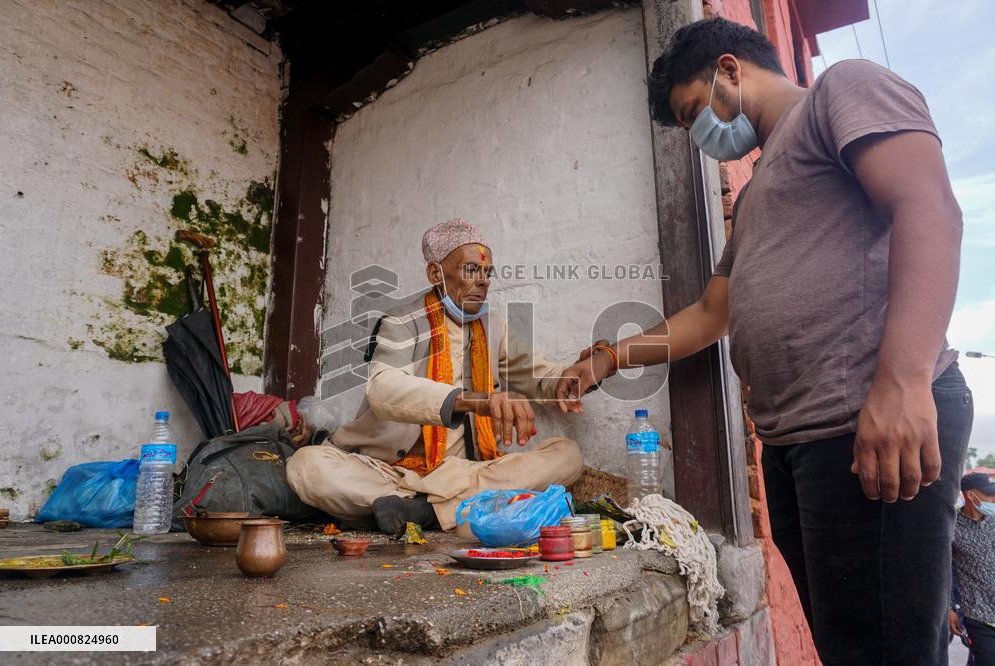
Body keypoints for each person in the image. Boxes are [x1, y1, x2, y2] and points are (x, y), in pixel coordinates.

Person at [555, 18, 973, 665]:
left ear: (729, 69)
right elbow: (713, 310)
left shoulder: (842, 91)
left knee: (884, 651)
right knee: (851, 646)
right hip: (797, 443)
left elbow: (927, 206)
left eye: (694, 111)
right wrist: (611, 357)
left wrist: (903, 380)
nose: (699, 135)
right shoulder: (752, 199)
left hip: (866, 419)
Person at [287, 219, 583, 535]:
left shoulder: (494, 328)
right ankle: (442, 508)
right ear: (435, 274)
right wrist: (475, 402)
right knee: (307, 467)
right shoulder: (401, 322)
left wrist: (577, 375)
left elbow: (542, 377)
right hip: (390, 471)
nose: (483, 281)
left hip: (461, 473)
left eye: (487, 272)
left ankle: (423, 512)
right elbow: (383, 388)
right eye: (472, 270)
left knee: (567, 456)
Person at [950, 473, 995, 665]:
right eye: (989, 496)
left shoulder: (993, 522)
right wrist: (949, 609)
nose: (993, 500)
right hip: (976, 614)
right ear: (971, 495)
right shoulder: (951, 527)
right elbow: (944, 571)